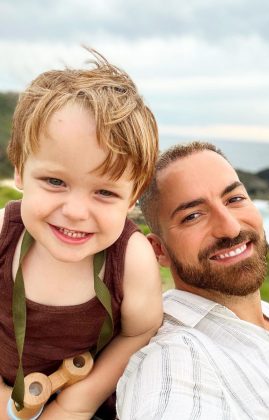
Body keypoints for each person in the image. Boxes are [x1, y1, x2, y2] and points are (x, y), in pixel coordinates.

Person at [116, 141, 269, 419]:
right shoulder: (174, 357)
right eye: (193, 216)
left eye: (234, 199)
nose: (230, 228)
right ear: (159, 250)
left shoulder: (267, 313)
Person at [0, 48, 163, 420]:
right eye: (55, 181)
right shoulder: (3, 235)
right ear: (21, 171)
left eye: (105, 192)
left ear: (133, 197)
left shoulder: (131, 259)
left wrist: (80, 402)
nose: (75, 211)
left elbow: (140, 331)